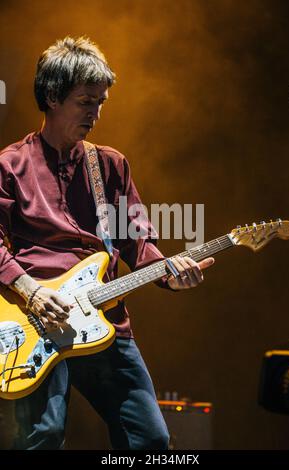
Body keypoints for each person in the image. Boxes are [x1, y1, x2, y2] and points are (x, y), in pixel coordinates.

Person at [0, 36, 215, 450]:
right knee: (42, 437)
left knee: (150, 440)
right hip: (35, 321)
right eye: (86, 101)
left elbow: (137, 241)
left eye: (101, 102)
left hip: (104, 317)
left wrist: (170, 274)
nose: (96, 114)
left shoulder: (109, 165)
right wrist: (29, 290)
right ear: (52, 96)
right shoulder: (10, 165)